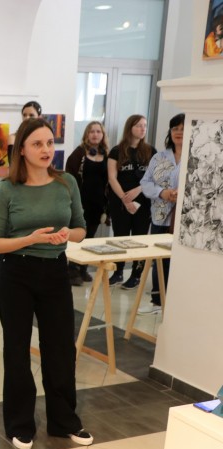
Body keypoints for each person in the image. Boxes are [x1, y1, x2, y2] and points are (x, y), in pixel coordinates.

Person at [0, 117, 93, 449]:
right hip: (16, 273)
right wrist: (29, 239)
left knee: (60, 348)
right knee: (17, 350)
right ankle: (20, 424)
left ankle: (64, 421)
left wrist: (67, 235)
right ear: (22, 150)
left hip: (55, 271)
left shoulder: (67, 183)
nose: (46, 150)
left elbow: (81, 229)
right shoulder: (7, 189)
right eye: (37, 144)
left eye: (49, 143)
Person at [138, 113, 183, 315]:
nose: (178, 132)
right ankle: (157, 300)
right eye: (175, 129)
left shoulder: (197, 157)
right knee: (159, 260)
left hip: (184, 219)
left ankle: (176, 302)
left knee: (179, 260)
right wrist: (162, 192)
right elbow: (145, 183)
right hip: (160, 215)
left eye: (182, 128)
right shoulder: (159, 157)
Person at [107, 114, 156, 288]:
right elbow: (112, 178)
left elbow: (155, 177)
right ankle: (118, 272)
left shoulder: (151, 151)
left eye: (145, 126)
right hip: (120, 202)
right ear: (130, 128)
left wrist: (139, 189)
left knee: (139, 239)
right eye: (138, 126)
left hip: (143, 202)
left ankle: (136, 275)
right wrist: (125, 199)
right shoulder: (116, 151)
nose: (143, 129)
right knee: (119, 238)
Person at [65, 121, 109, 285]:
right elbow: (69, 177)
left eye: (98, 131)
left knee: (90, 237)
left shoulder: (106, 155)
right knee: (78, 236)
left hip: (97, 203)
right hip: (80, 201)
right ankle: (72, 271)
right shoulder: (79, 153)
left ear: (102, 135)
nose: (95, 134)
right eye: (92, 131)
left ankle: (83, 269)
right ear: (86, 134)